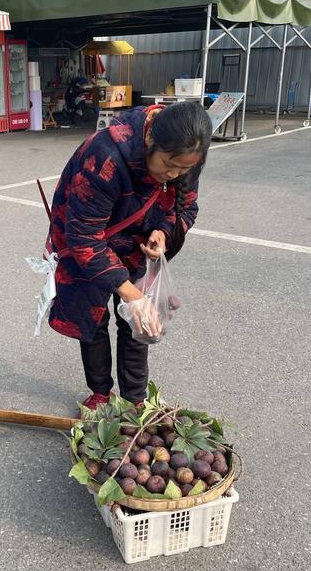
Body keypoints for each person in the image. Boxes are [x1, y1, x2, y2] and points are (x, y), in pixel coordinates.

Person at [45, 102, 212, 412]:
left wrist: (162, 231)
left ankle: (135, 398)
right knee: (94, 318)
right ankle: (100, 393)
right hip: (88, 243)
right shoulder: (105, 157)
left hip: (134, 246)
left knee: (136, 323)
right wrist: (132, 293)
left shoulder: (187, 158)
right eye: (168, 164)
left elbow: (187, 208)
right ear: (150, 141)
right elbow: (83, 236)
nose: (174, 174)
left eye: (184, 169)